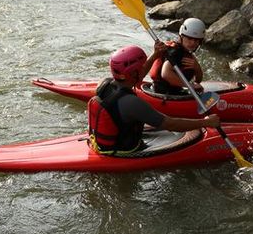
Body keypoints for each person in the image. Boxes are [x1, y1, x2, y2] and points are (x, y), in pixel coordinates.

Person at [88, 43, 220, 155]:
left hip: (101, 143)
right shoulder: (132, 103)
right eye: (141, 66)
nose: (144, 67)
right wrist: (206, 122)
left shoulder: (104, 83)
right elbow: (171, 124)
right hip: (124, 150)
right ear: (133, 73)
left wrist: (156, 54)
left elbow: (136, 77)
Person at [148, 18, 206, 95]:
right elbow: (165, 73)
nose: (193, 43)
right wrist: (190, 86)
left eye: (196, 40)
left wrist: (197, 68)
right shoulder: (176, 52)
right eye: (189, 39)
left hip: (172, 91)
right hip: (164, 93)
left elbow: (198, 81)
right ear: (181, 37)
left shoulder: (187, 52)